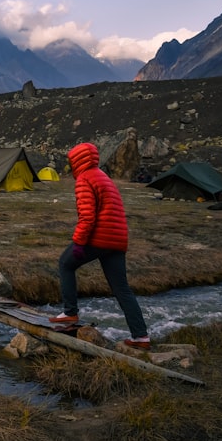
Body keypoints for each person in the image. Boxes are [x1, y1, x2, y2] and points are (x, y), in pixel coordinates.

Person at [51, 142, 151, 350]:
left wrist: (79, 243)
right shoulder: (103, 176)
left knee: (65, 264)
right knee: (122, 289)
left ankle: (70, 312)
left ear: (77, 160)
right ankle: (141, 336)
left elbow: (87, 217)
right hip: (117, 240)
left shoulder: (84, 179)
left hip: (100, 238)